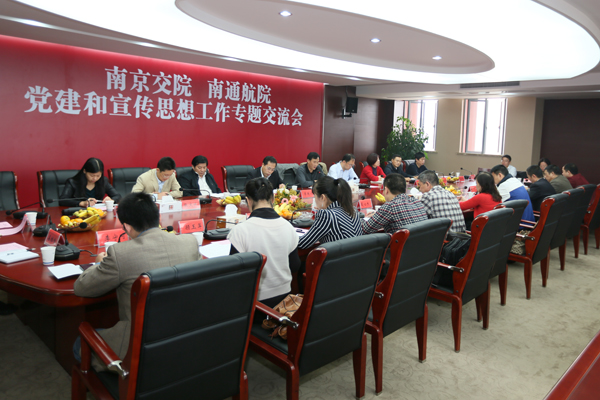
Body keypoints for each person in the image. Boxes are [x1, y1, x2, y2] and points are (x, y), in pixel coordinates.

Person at [73, 192, 200, 367]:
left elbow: (81, 287)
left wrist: (99, 263)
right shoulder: (189, 242)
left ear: (127, 227)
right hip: (184, 336)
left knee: (78, 344)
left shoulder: (120, 253)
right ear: (157, 218)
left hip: (138, 348)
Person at [228, 178, 300, 308]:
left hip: (254, 303)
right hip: (284, 300)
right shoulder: (288, 227)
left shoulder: (240, 230)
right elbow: (294, 266)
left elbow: (235, 275)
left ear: (248, 200)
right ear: (273, 199)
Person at [298, 176, 362, 249]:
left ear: (322, 197)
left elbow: (302, 243)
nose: (314, 200)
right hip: (354, 255)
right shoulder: (353, 210)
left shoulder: (327, 215)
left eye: (314, 197)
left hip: (338, 256)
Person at [362, 174, 427, 234]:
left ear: (386, 190)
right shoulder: (417, 202)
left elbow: (365, 229)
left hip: (402, 243)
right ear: (405, 189)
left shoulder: (390, 207)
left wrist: (361, 218)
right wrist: (378, 214)